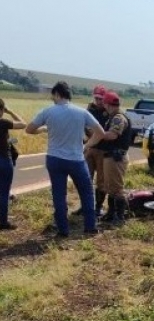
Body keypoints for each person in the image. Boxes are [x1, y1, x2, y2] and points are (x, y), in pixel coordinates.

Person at [26, 81, 105, 237]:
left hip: (54, 158)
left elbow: (29, 129)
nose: (52, 99)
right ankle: (90, 227)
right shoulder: (81, 112)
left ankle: (63, 230)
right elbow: (100, 132)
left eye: (53, 96)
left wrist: (43, 129)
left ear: (57, 94)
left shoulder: (48, 111)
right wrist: (87, 146)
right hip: (76, 158)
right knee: (86, 192)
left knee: (59, 195)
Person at [85, 90, 132, 225]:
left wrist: (99, 134)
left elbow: (112, 135)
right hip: (111, 156)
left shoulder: (118, 118)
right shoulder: (114, 116)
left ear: (107, 104)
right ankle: (111, 213)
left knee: (116, 188)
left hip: (115, 157)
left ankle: (119, 217)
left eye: (104, 103)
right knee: (110, 186)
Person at [72, 84, 109, 216]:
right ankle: (85, 206)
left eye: (101, 99)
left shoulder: (108, 111)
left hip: (103, 150)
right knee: (85, 178)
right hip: (90, 147)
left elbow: (106, 132)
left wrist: (94, 135)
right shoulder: (90, 109)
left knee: (101, 181)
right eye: (96, 98)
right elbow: (83, 125)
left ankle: (98, 207)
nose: (98, 101)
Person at [0, 99, 26, 230]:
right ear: (1, 110)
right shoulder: (3, 122)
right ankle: (3, 222)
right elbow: (23, 124)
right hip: (4, 160)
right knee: (4, 193)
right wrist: (10, 112)